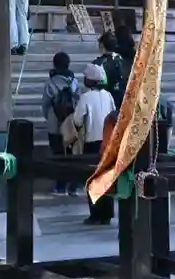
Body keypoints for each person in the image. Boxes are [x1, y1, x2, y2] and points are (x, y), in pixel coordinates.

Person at [71, 63, 118, 225]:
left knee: (92, 179)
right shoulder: (108, 95)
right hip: (108, 141)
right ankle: (107, 214)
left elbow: (77, 120)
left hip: (92, 143)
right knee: (107, 178)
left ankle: (95, 214)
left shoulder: (85, 97)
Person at [42, 51, 82, 196]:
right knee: (72, 154)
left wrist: (49, 117)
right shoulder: (74, 82)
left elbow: (45, 104)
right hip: (71, 123)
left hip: (54, 123)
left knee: (57, 154)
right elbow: (78, 100)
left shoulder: (50, 83)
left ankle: (60, 186)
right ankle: (73, 186)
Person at [93, 32, 127, 107]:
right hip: (121, 100)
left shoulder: (97, 63)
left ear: (102, 45)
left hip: (103, 102)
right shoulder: (122, 61)